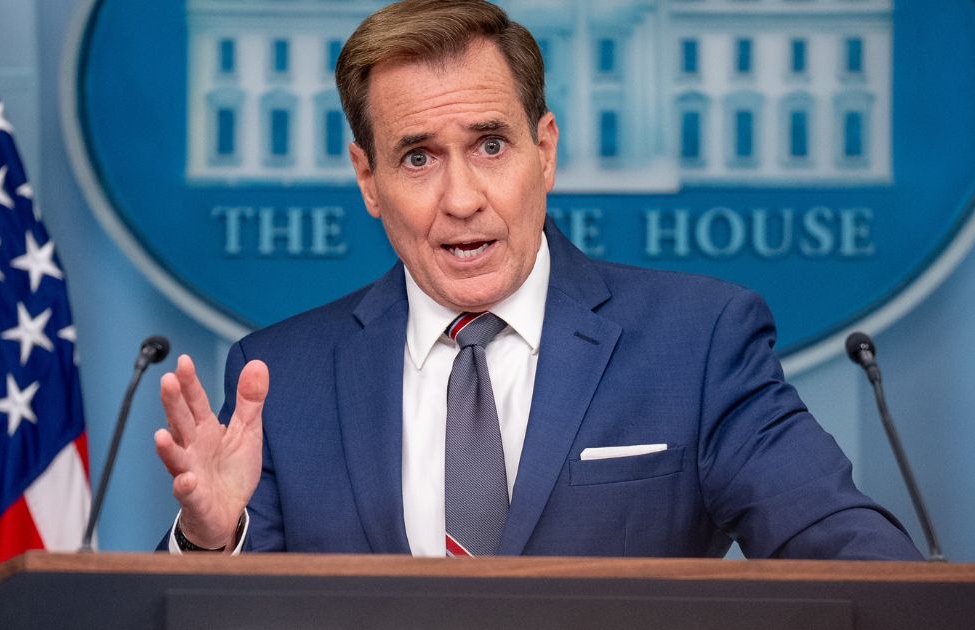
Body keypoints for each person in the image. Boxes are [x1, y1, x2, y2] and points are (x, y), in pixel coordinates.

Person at [154, 0, 921, 559]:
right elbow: (220, 612)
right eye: (418, 157)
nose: (461, 199)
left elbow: (836, 544)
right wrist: (210, 541)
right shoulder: (281, 377)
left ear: (544, 151)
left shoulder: (696, 344)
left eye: (490, 145)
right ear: (367, 178)